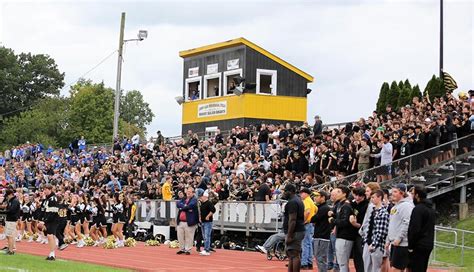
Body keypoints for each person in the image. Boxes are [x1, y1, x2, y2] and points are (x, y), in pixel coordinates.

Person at [386, 184, 414, 272]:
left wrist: (399, 238)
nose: (392, 194)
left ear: (402, 193)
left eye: (395, 192)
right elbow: (392, 224)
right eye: (392, 192)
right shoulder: (395, 207)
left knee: (395, 269)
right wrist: (388, 240)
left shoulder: (406, 206)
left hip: (402, 244)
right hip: (395, 243)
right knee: (397, 268)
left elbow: (407, 223)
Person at [408, 185, 435, 272]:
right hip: (428, 243)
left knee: (416, 268)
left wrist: (410, 245)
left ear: (417, 195)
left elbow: (414, 229)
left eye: (413, 194)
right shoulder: (431, 209)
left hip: (418, 245)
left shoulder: (418, 209)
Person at [329, 185, 356, 272]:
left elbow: (345, 222)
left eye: (338, 192)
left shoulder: (346, 206)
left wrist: (333, 220)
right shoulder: (340, 204)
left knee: (343, 262)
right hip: (340, 235)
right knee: (341, 262)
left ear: (344, 194)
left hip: (345, 236)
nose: (336, 194)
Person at [362, 189, 389, 272]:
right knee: (367, 267)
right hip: (368, 241)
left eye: (373, 197)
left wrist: (374, 244)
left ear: (379, 197)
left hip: (377, 244)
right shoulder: (373, 210)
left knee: (375, 268)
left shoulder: (383, 213)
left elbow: (382, 232)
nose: (371, 199)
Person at [282, 183, 305, 272]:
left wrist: (290, 235)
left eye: (285, 191)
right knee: (291, 255)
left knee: (294, 254)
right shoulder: (298, 200)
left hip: (295, 231)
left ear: (290, 191)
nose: (284, 193)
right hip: (297, 230)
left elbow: (292, 220)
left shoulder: (292, 202)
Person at [350, 186, 369, 272]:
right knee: (356, 257)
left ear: (364, 196)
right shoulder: (353, 203)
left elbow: (364, 224)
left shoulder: (366, 205)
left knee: (362, 256)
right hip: (353, 234)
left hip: (362, 235)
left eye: (360, 196)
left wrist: (355, 224)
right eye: (356, 195)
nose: (357, 198)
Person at [311, 190, 331, 272]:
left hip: (322, 236)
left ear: (323, 197)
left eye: (317, 196)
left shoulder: (324, 208)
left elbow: (313, 219)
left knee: (320, 258)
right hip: (319, 235)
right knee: (319, 257)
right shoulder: (320, 207)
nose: (315, 198)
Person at [176, 186, 199, 255]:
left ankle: (188, 249)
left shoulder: (194, 199)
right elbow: (178, 204)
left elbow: (190, 206)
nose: (188, 193)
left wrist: (182, 207)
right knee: (180, 236)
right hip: (180, 221)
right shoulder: (184, 198)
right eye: (187, 191)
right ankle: (182, 248)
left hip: (189, 222)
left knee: (189, 236)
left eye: (190, 192)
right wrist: (185, 207)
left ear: (193, 193)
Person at [299, 187, 317, 270]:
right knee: (309, 243)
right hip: (311, 224)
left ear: (306, 193)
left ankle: (304, 263)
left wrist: (304, 221)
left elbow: (307, 211)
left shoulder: (306, 201)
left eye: (301, 193)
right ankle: (309, 262)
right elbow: (316, 210)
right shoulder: (311, 201)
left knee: (305, 244)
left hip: (307, 224)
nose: (300, 195)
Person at [43, 184, 60, 261]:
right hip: (49, 220)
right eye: (44, 190)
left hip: (53, 220)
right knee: (49, 237)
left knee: (50, 236)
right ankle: (51, 253)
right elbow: (44, 209)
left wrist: (45, 220)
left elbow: (53, 212)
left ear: (50, 190)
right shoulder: (47, 198)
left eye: (46, 190)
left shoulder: (53, 198)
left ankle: (52, 254)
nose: (44, 191)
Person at [1, 189, 20, 255]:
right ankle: (9, 249)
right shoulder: (12, 201)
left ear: (11, 194)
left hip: (12, 220)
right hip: (9, 220)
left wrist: (2, 212)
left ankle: (11, 250)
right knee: (8, 236)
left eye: (8, 195)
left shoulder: (14, 201)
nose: (7, 197)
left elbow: (11, 211)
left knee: (10, 236)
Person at [197, 189, 215, 256]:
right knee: (204, 236)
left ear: (205, 197)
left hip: (208, 222)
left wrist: (208, 216)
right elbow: (201, 212)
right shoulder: (202, 204)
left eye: (202, 196)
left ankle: (206, 250)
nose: (201, 197)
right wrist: (200, 218)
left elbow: (213, 210)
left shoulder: (209, 203)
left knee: (207, 236)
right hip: (203, 222)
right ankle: (206, 248)